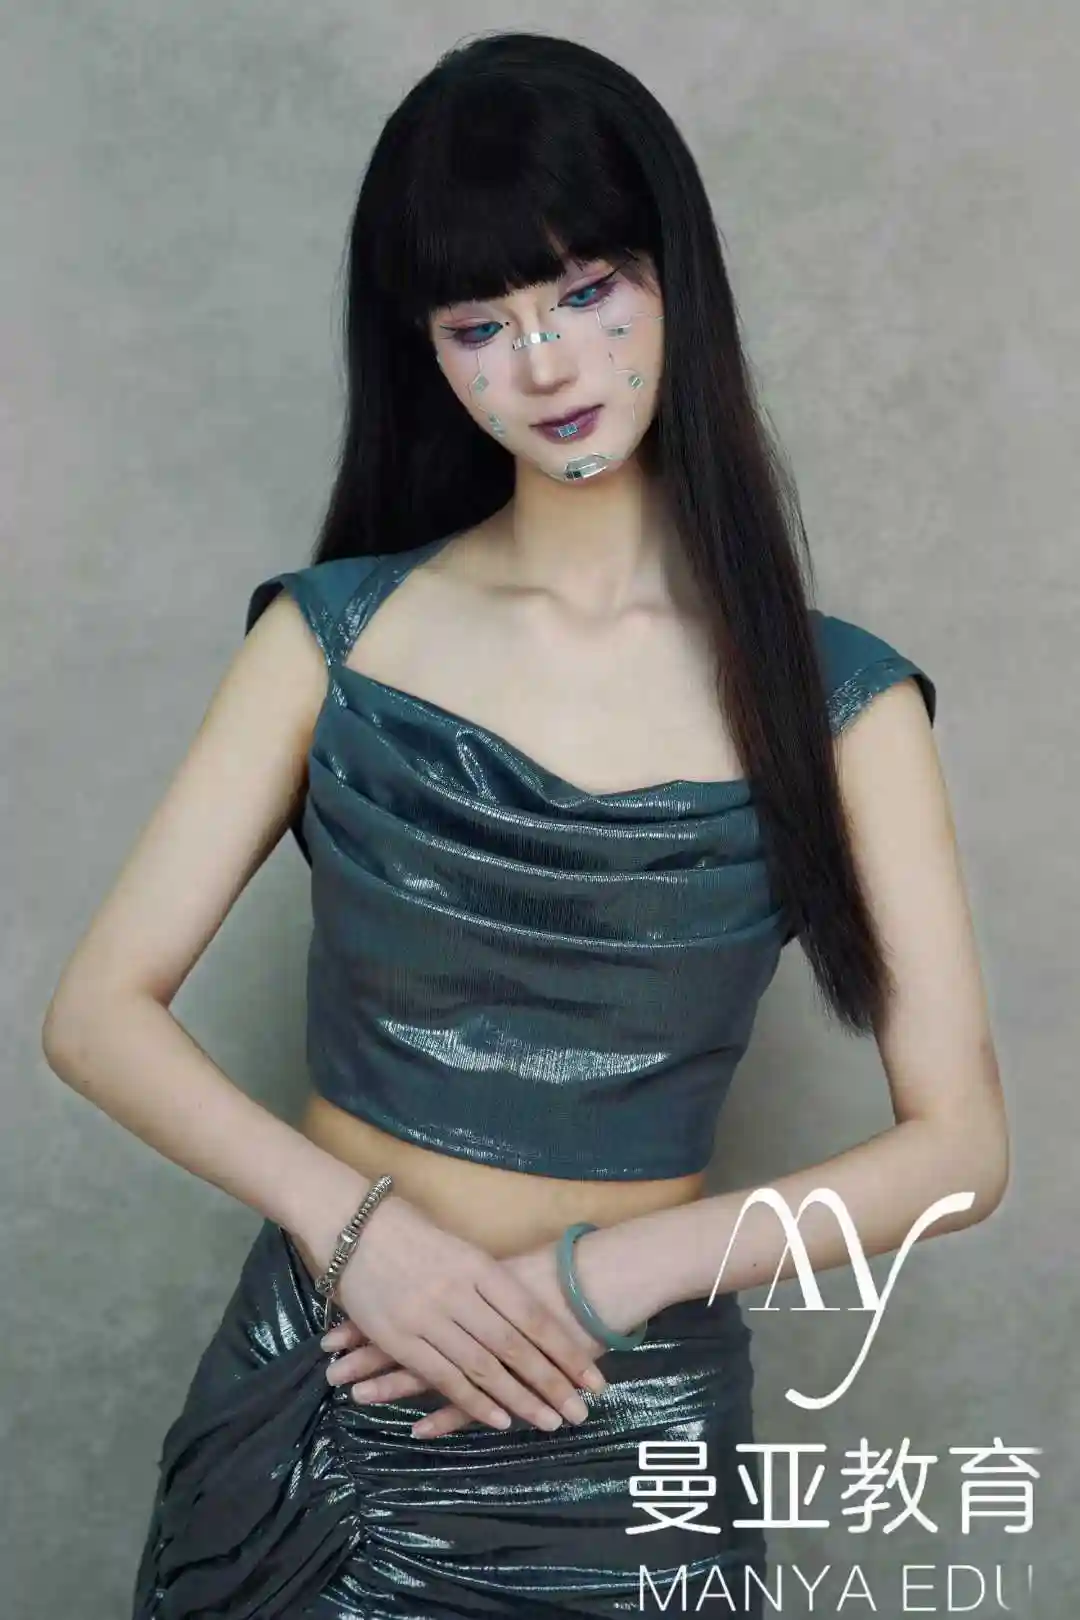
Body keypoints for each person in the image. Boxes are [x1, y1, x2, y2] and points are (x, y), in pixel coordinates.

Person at [41, 29, 1008, 1620]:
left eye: (587, 291)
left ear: (675, 282)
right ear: (425, 353)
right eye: (480, 325)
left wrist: (613, 1275)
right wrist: (359, 1237)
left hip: (622, 1425)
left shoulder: (840, 700)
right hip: (327, 1398)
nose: (546, 367)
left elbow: (962, 1151)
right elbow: (94, 1013)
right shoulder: (334, 638)